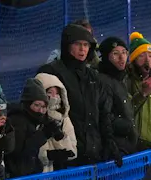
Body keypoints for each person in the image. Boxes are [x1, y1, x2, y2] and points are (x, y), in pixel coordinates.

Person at [38, 22, 118, 166]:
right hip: (64, 155)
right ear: (67, 45)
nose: (82, 49)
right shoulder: (51, 72)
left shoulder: (94, 77)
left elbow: (103, 113)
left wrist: (109, 142)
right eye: (77, 44)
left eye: (86, 45)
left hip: (94, 153)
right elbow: (40, 111)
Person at [4, 78, 64, 178]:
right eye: (37, 105)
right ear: (27, 104)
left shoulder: (37, 120)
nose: (40, 110)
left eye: (44, 106)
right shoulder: (17, 121)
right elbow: (20, 152)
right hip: (17, 177)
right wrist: (43, 134)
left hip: (31, 174)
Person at [97, 36, 139, 157]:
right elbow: (105, 116)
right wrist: (127, 126)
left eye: (124, 53)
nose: (122, 58)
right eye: (115, 54)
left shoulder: (121, 79)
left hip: (125, 146)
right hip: (116, 149)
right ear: (106, 57)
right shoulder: (104, 81)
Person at [34, 73, 78, 172]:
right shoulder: (34, 117)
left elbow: (72, 152)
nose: (54, 97)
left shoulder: (64, 118)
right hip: (38, 176)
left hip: (59, 173)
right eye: (49, 92)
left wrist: (60, 138)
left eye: (57, 93)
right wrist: (47, 155)